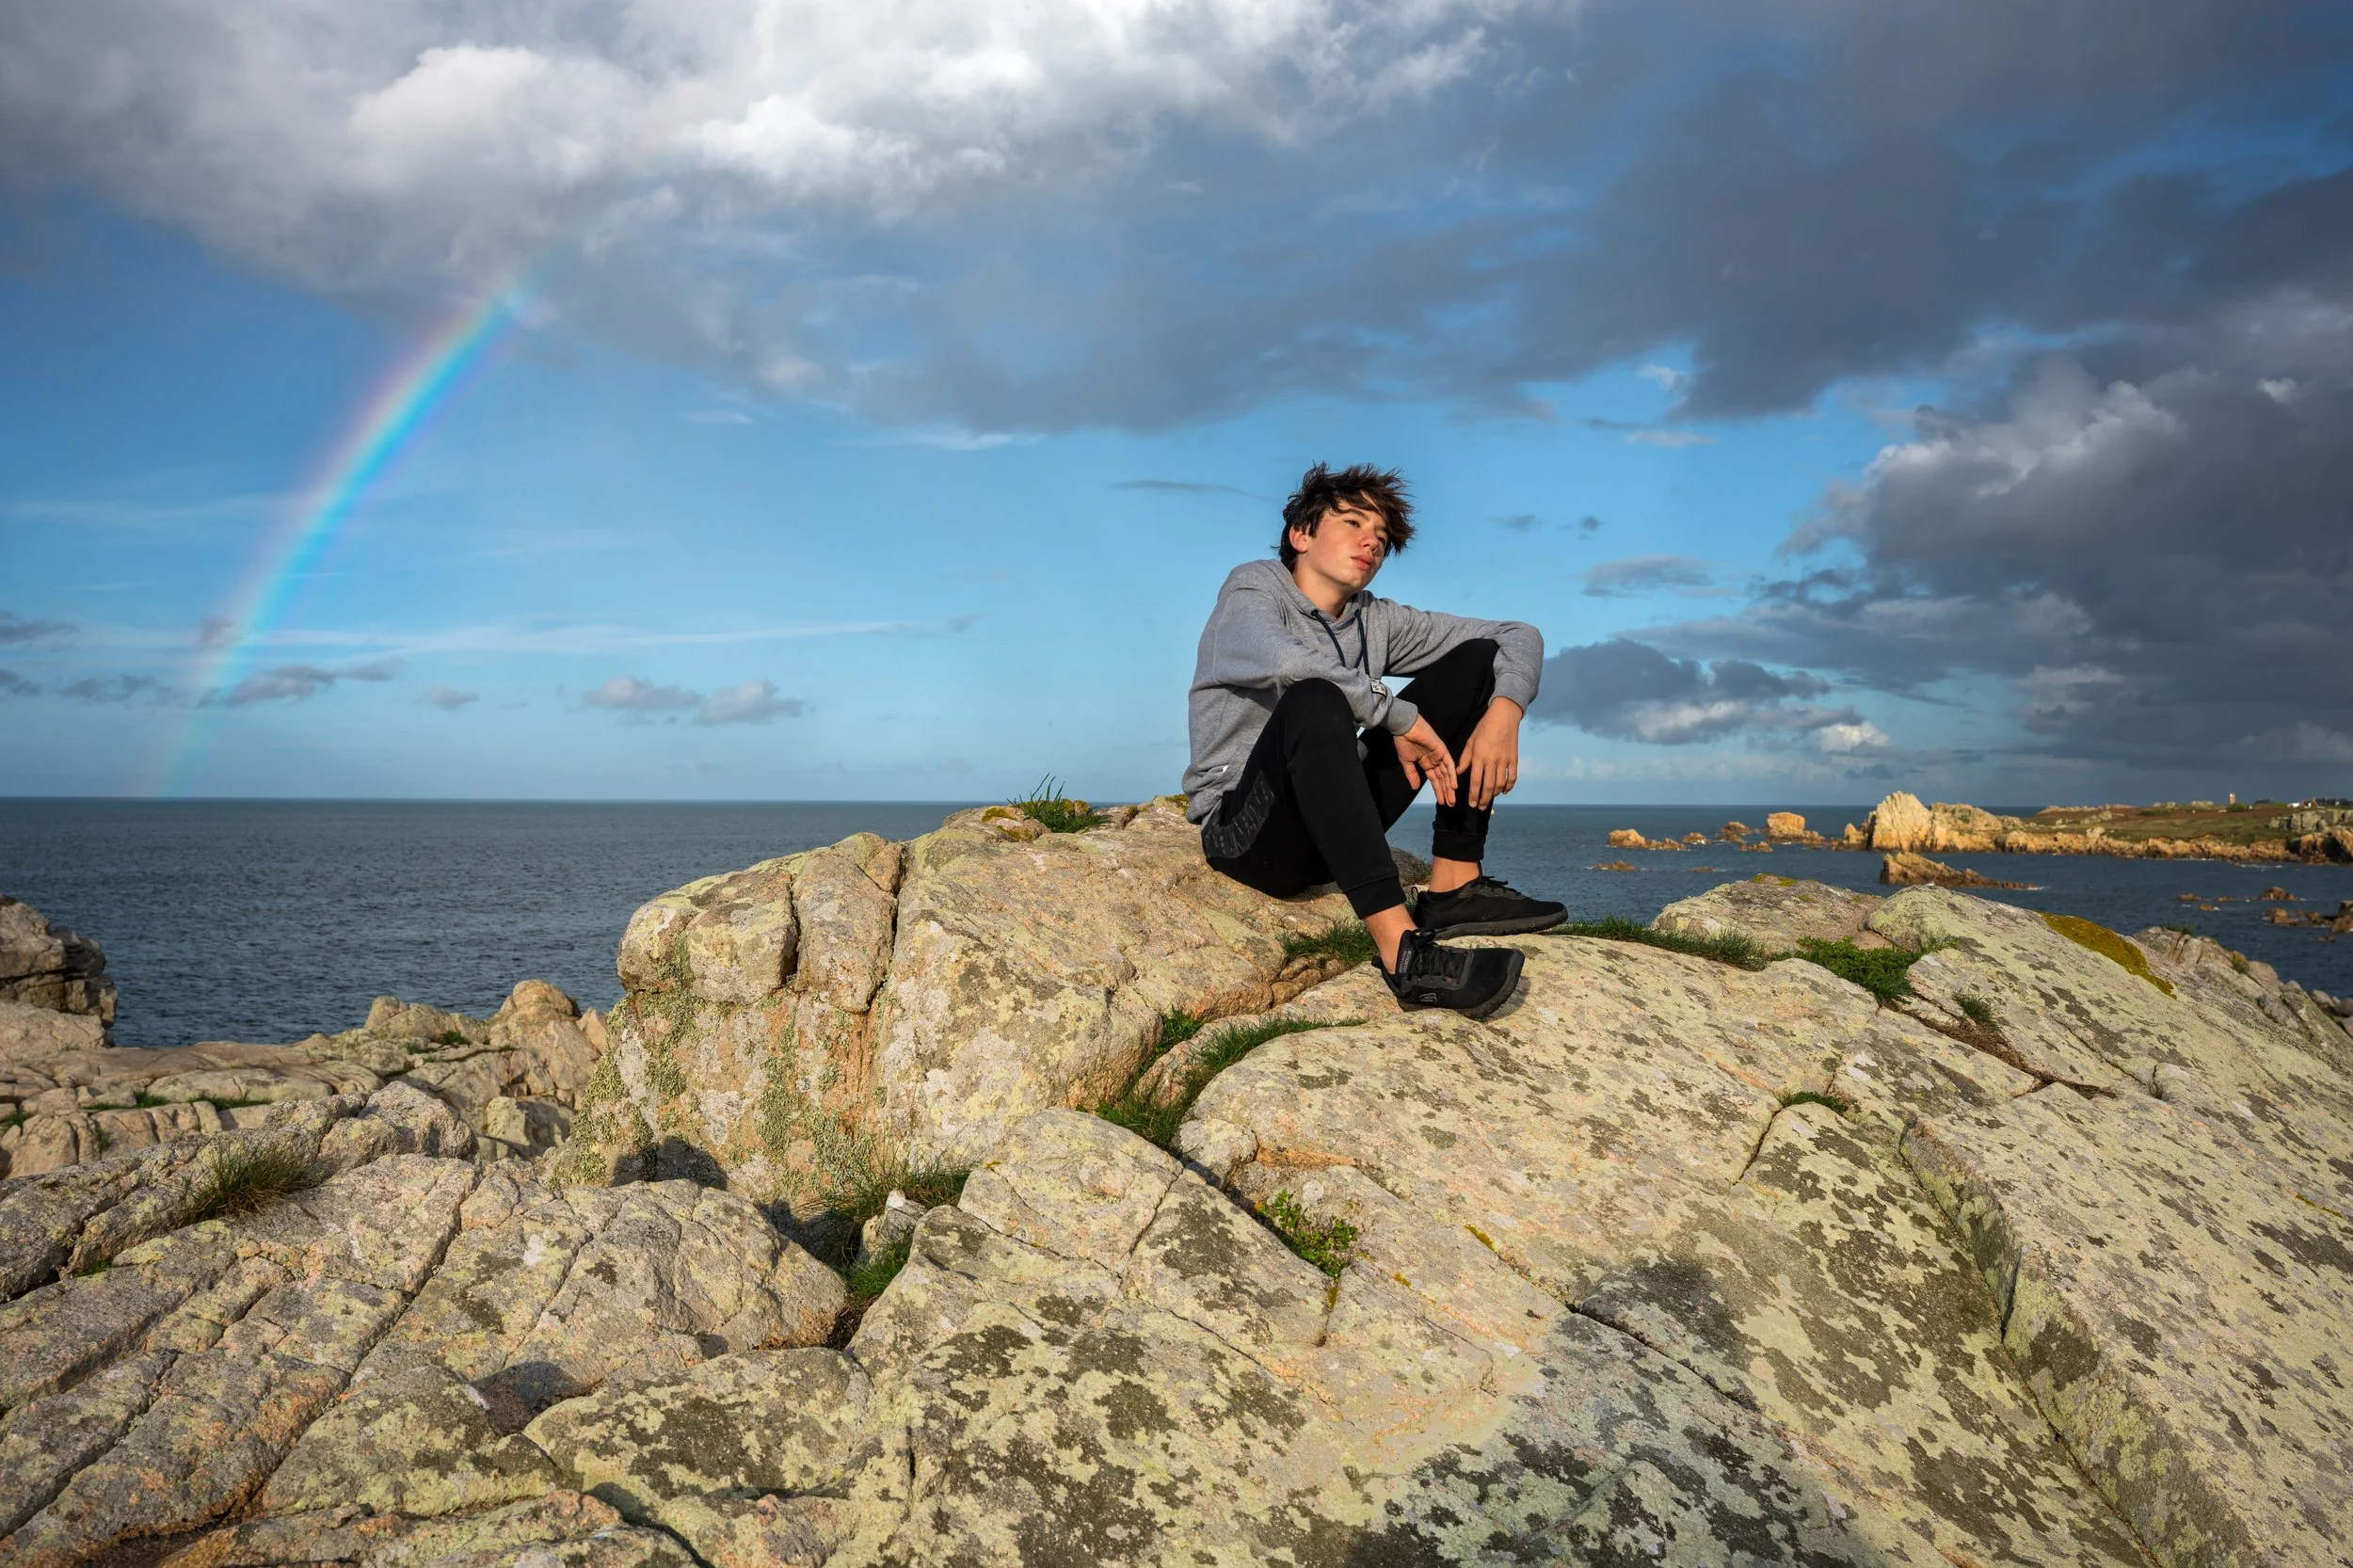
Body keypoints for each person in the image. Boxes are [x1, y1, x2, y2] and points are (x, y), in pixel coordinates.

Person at [1184, 462, 1565, 1019]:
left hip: (1329, 828)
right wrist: (1401, 718)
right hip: (1245, 833)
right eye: (1354, 523)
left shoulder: (1374, 620)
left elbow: (1516, 635)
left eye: (1382, 538)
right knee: (1316, 698)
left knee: (1479, 661)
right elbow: (1288, 662)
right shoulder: (1253, 589)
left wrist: (1505, 712)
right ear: (1301, 535)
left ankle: (1455, 887)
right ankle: (1403, 954)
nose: (1372, 542)